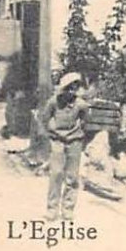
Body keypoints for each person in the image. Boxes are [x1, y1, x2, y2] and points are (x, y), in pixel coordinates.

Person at [42, 71, 90, 222]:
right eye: (68, 87)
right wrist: (52, 133)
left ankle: (68, 209)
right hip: (57, 141)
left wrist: (77, 135)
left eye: (74, 88)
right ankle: (52, 209)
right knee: (56, 174)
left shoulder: (81, 105)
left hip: (74, 142)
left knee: (72, 177)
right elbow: (44, 119)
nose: (71, 91)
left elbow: (85, 122)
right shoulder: (53, 102)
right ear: (63, 88)